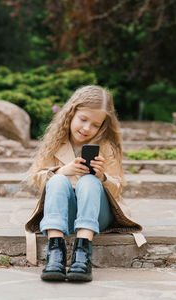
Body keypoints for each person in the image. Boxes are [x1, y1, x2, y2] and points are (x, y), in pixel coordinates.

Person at [25, 85, 144, 282]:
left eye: (95, 125)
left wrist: (102, 177)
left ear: (103, 125)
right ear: (71, 113)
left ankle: (82, 254)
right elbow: (37, 179)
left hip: (97, 215)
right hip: (63, 212)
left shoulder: (106, 147)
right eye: (83, 120)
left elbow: (118, 186)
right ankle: (55, 253)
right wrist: (61, 171)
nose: (87, 128)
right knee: (57, 180)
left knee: (89, 180)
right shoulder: (54, 142)